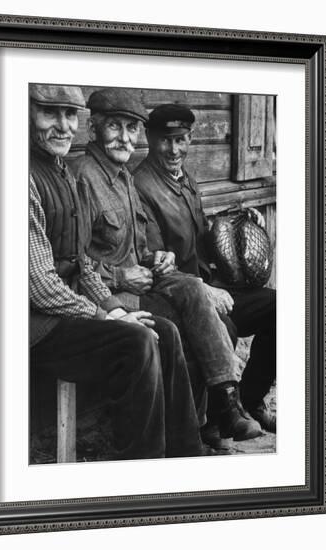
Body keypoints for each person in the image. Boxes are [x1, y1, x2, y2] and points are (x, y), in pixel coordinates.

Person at [73, 87, 263, 442]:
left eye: (131, 128)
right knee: (197, 323)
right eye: (115, 126)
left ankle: (225, 403)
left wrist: (158, 257)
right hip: (112, 294)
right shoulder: (85, 177)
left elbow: (140, 245)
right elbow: (75, 261)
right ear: (93, 129)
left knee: (193, 289)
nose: (124, 137)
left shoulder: (124, 177)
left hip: (144, 280)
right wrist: (119, 275)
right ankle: (195, 429)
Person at [29, 83, 204, 460]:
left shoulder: (61, 172)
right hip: (34, 326)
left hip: (67, 312)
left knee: (163, 331)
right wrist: (107, 313)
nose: (63, 126)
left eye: (70, 115)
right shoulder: (25, 177)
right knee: (136, 342)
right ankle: (141, 467)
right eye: (50, 113)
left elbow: (83, 264)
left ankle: (187, 456)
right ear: (28, 114)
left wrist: (117, 309)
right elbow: (41, 287)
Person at [133, 103, 276, 433]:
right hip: (180, 297)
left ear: (191, 139)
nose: (174, 149)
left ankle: (251, 401)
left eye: (181, 139)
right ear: (149, 138)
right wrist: (205, 290)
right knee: (224, 326)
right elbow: (153, 259)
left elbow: (200, 236)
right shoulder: (141, 186)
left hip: (213, 285)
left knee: (280, 308)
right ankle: (216, 421)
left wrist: (239, 217)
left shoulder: (186, 179)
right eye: (165, 140)